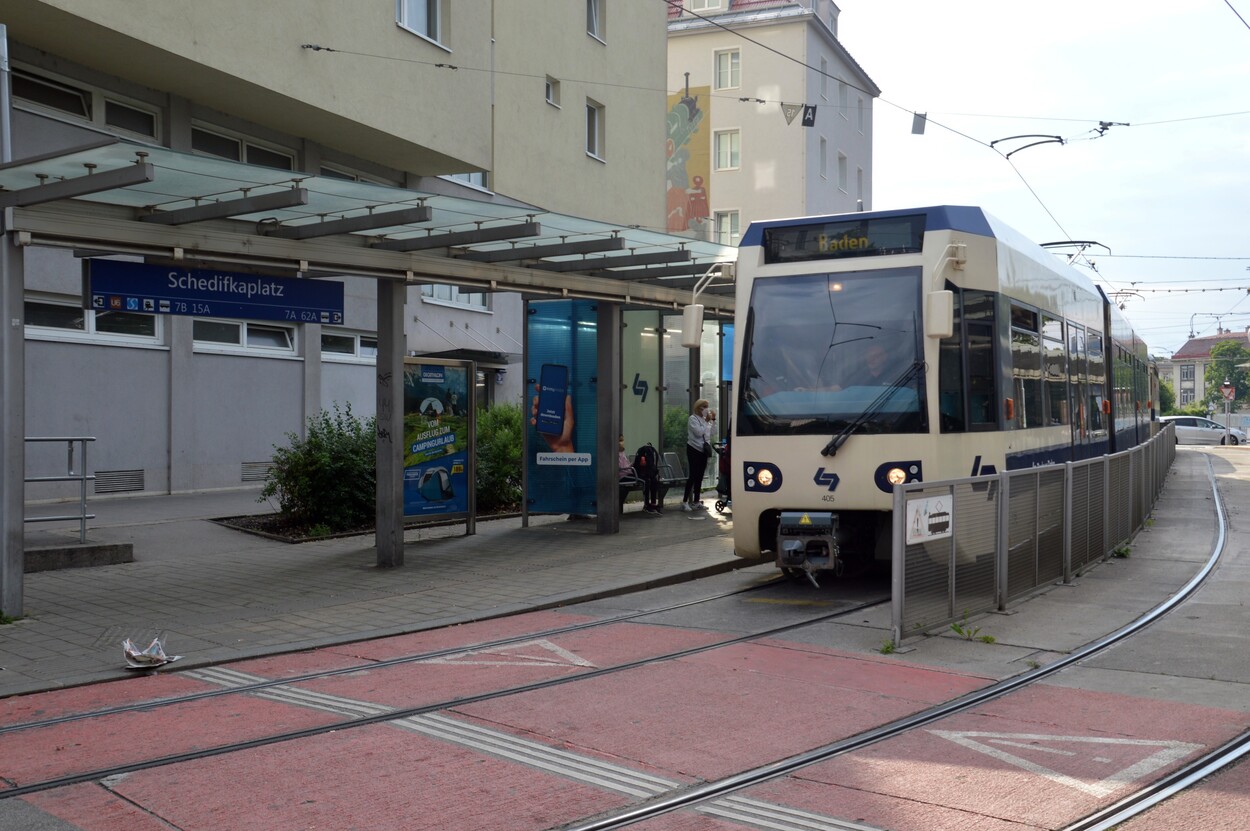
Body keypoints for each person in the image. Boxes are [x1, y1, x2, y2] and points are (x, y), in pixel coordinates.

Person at [682, 399, 715, 511]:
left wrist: (712, 420)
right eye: (704, 406)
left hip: (703, 450)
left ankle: (696, 501)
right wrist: (706, 422)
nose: (706, 409)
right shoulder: (693, 419)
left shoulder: (705, 420)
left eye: (707, 406)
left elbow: (712, 433)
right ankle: (685, 501)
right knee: (693, 475)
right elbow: (699, 433)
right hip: (694, 449)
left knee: (700, 476)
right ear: (698, 407)